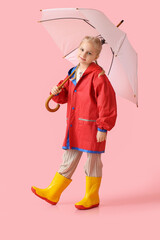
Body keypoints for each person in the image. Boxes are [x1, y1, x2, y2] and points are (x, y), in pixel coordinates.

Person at [31, 36, 117, 210]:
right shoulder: (72, 72)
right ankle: (53, 191)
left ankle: (92, 196)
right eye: (82, 50)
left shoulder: (98, 76)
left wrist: (103, 127)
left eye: (90, 52)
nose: (84, 54)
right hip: (74, 125)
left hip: (93, 127)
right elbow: (64, 98)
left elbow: (106, 104)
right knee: (68, 158)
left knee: (92, 161)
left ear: (96, 56)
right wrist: (56, 92)